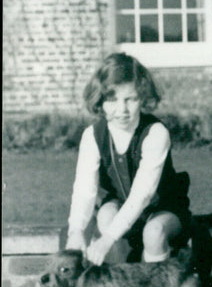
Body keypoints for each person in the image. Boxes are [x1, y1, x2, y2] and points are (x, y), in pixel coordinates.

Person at [64, 53, 191, 267]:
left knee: (154, 233)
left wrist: (107, 240)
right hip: (120, 204)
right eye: (112, 100)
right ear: (100, 100)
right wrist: (76, 231)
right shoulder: (92, 136)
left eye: (130, 99)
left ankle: (153, 285)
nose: (122, 110)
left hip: (162, 209)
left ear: (142, 98)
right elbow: (85, 190)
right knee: (106, 217)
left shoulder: (155, 133)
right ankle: (120, 280)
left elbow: (142, 195)